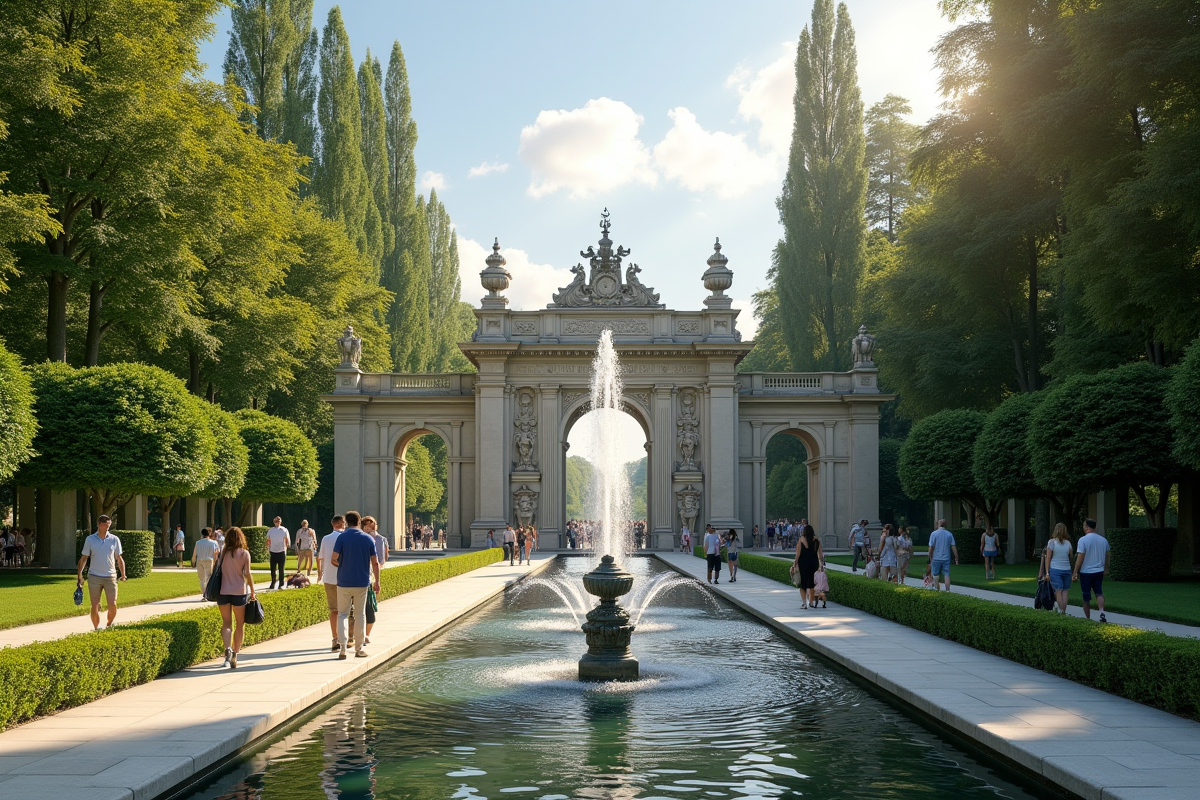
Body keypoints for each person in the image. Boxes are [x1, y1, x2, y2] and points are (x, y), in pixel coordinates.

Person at [331, 510, 380, 659]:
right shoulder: (367, 539)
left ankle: (343, 648)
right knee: (360, 615)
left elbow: (333, 559)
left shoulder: (342, 538)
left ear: (346, 522)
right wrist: (377, 581)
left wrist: (343, 565)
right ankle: (359, 649)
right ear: (359, 522)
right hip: (361, 582)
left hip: (344, 582)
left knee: (342, 615)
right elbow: (375, 562)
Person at [216, 526, 257, 669]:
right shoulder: (245, 554)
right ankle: (235, 653)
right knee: (240, 623)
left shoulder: (223, 553)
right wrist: (252, 591)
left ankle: (228, 649)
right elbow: (247, 574)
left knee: (226, 623)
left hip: (223, 591)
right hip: (239, 592)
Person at [76, 514, 127, 630]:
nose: (107, 528)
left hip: (110, 576)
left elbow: (119, 558)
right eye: (105, 525)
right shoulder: (90, 539)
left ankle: (108, 625)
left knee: (112, 604)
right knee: (95, 605)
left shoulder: (114, 539)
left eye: (109, 525)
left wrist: (123, 574)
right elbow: (84, 559)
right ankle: (96, 628)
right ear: (99, 525)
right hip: (94, 576)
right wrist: (79, 575)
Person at [318, 515, 352, 652]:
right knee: (346, 610)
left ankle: (335, 638)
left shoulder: (326, 538)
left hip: (329, 578)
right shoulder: (347, 537)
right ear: (343, 523)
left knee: (334, 610)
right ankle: (347, 638)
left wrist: (320, 573)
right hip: (345, 578)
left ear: (332, 524)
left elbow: (320, 557)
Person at [1073, 518, 1110, 622]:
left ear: (1087, 527)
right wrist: (1106, 568)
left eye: (1084, 525)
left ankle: (1088, 618)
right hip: (1099, 571)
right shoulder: (1103, 540)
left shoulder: (1083, 540)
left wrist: (1075, 571)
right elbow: (1108, 555)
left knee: (1086, 595)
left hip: (1086, 572)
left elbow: (1080, 557)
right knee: (1099, 593)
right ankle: (1102, 612)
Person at [362, 515, 386, 646]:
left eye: (371, 524)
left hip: (369, 577)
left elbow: (380, 561)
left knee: (370, 609)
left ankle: (367, 635)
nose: (369, 527)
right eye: (366, 524)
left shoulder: (379, 539)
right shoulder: (358, 538)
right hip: (359, 578)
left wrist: (377, 580)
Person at [1042, 522, 1074, 615]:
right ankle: (1063, 610)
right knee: (1065, 592)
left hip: (1055, 569)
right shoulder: (1068, 543)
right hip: (1067, 569)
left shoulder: (1051, 542)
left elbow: (1048, 557)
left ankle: (1061, 611)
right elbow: (1071, 557)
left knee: (1058, 591)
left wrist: (1047, 572)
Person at [794, 524, 823, 609]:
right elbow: (820, 554)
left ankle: (804, 603)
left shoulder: (801, 539)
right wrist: (821, 564)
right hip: (813, 563)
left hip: (803, 563)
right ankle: (811, 602)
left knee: (803, 584)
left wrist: (795, 564)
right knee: (811, 584)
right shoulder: (816, 540)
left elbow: (797, 554)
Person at [926, 519, 959, 592]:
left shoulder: (934, 534)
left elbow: (931, 547)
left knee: (935, 574)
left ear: (938, 524)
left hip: (936, 557)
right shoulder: (949, 534)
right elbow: (953, 546)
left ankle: (936, 588)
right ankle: (947, 590)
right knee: (946, 574)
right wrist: (956, 558)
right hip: (946, 558)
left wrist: (930, 556)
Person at [192, 528, 221, 595]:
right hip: (209, 560)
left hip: (200, 561)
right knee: (208, 578)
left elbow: (194, 553)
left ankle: (204, 593)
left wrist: (193, 561)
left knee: (201, 579)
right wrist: (215, 560)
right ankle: (207, 593)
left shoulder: (198, 542)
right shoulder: (214, 543)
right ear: (210, 534)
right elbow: (217, 552)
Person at [266, 517, 291, 589]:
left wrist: (286, 549)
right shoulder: (271, 530)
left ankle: (281, 583)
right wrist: (268, 547)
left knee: (281, 568)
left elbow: (287, 541)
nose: (277, 521)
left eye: (278, 520)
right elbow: (268, 540)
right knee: (272, 569)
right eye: (276, 520)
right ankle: (273, 582)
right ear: (274, 521)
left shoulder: (284, 530)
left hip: (281, 551)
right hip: (273, 551)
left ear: (280, 521)